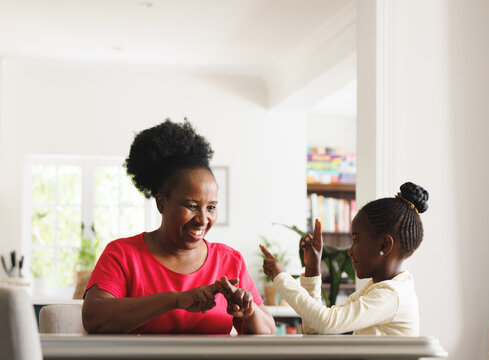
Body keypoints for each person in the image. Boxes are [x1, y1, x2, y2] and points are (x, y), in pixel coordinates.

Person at [82, 119, 275, 334]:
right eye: (192, 206)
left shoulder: (230, 261)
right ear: (161, 203)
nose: (202, 220)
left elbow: (268, 332)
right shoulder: (124, 255)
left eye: (211, 207)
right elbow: (94, 318)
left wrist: (249, 312)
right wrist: (175, 300)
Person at [260, 182, 429, 335]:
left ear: (384, 245)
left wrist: (281, 278)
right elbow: (315, 328)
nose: (350, 251)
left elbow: (327, 322)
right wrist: (312, 269)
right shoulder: (377, 289)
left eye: (356, 240)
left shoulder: (392, 295)